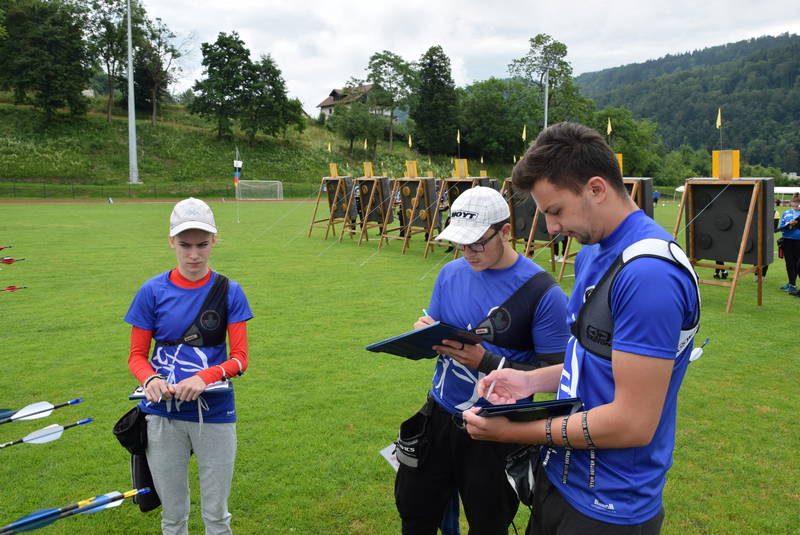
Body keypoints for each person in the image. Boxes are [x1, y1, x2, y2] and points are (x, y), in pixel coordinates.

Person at [462, 122, 700, 535]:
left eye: (555, 211)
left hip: (611, 505)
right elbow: (590, 362)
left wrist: (517, 431)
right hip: (560, 481)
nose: (552, 228)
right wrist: (529, 379)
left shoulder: (649, 275)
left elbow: (632, 422)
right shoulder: (592, 251)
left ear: (596, 188)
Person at [394, 186, 570, 534]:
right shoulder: (450, 273)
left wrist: (487, 361)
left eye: (476, 243)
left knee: (489, 524)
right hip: (439, 416)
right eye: (461, 244)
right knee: (415, 512)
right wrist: (424, 332)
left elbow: (560, 377)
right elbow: (437, 329)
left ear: (505, 231)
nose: (468, 253)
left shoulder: (543, 293)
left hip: (497, 429)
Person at [125, 197, 253, 535]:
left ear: (214, 241)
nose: (194, 255)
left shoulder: (230, 291)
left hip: (215, 412)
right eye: (185, 245)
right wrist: (150, 379)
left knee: (217, 516)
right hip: (162, 414)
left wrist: (204, 377)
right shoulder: (151, 291)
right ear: (171, 242)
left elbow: (240, 358)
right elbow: (136, 356)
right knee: (173, 516)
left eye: (202, 244)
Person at [779, 193, 800, 294]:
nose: (794, 208)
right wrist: (787, 224)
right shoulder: (786, 213)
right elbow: (781, 226)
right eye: (793, 206)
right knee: (789, 263)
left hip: (798, 242)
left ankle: (793, 285)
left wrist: (795, 224)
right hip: (787, 241)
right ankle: (791, 283)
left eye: (797, 206)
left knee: (797, 264)